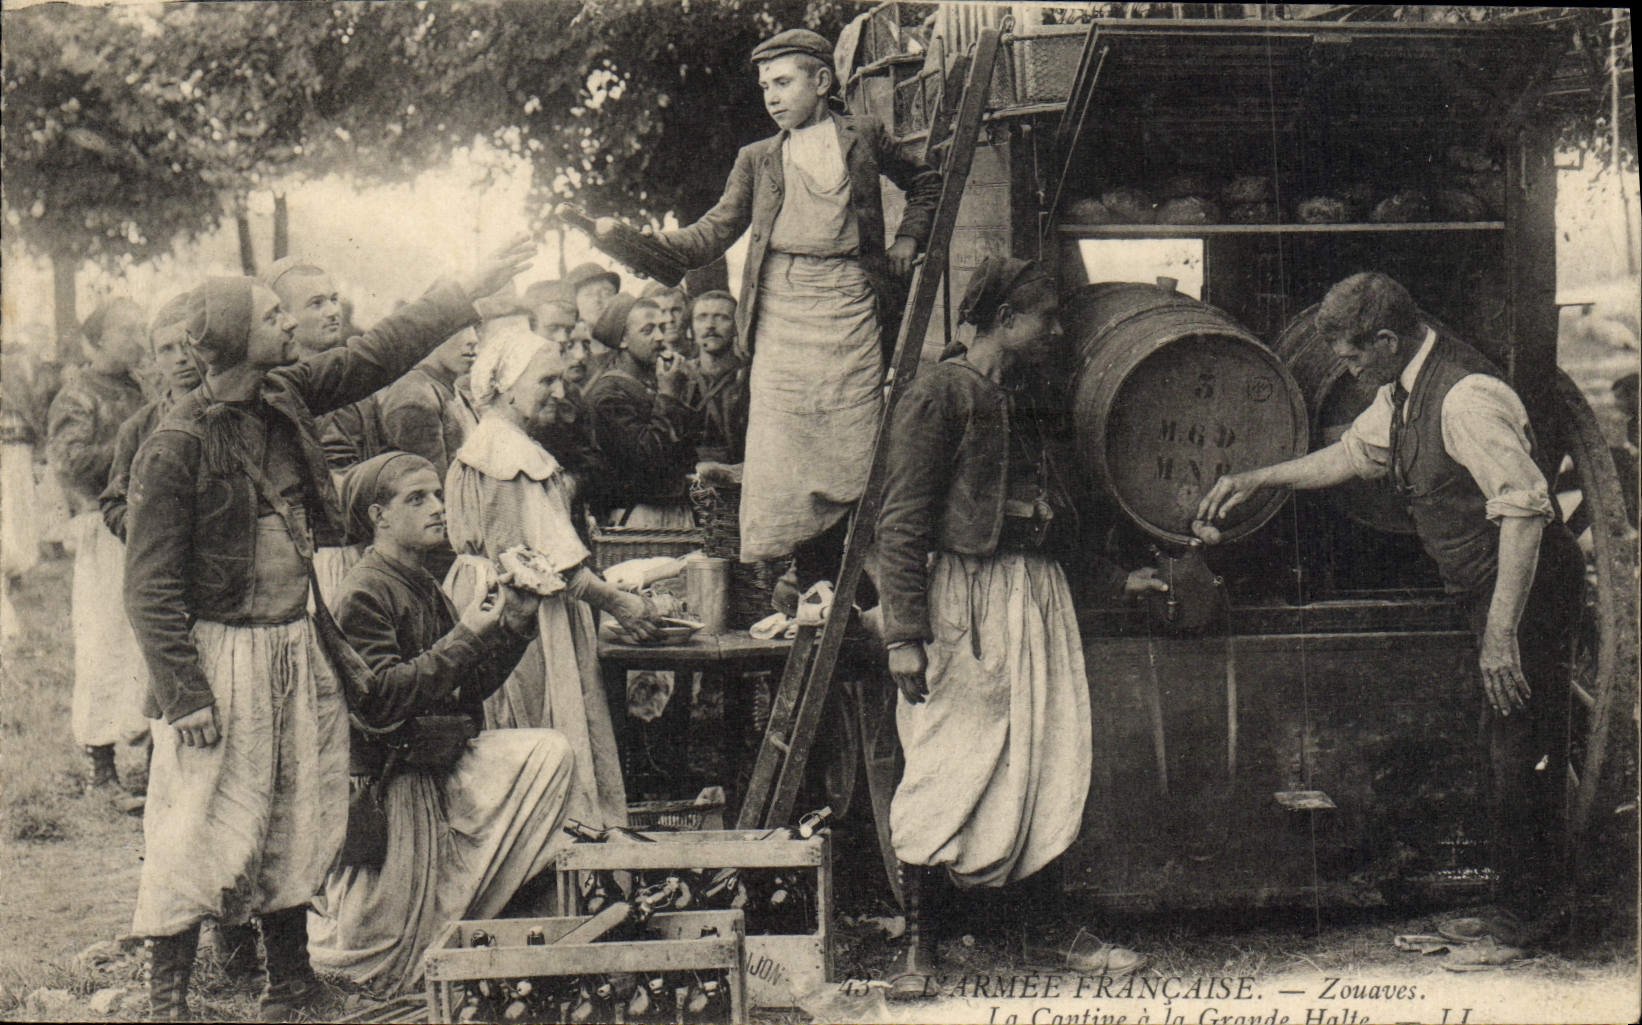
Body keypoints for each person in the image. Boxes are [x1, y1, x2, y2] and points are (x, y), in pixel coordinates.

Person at [123, 238, 531, 1021]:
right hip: (220, 658)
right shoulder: (175, 446)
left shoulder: (284, 392)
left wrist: (463, 291)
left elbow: (377, 352)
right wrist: (185, 694)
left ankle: (290, 982)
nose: (289, 322)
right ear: (235, 339)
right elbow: (148, 588)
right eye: (271, 315)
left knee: (297, 809)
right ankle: (167, 998)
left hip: (294, 643)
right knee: (194, 823)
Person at [1196, 271, 1583, 951]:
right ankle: (1514, 906)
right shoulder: (1405, 387)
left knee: (1520, 748)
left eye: (1352, 355)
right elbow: (1354, 455)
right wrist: (1258, 477)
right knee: (1502, 747)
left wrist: (1502, 634)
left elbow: (1526, 510)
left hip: (1529, 591)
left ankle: (1533, 920)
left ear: (1385, 339)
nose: (1346, 369)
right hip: (1491, 587)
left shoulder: (1464, 397)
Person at [876, 258, 1164, 994]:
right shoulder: (938, 393)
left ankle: (1047, 928)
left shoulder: (1030, 396)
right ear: (1005, 321)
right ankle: (921, 945)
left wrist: (1112, 579)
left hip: (1035, 595)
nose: (1058, 331)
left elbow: (1058, 518)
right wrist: (904, 634)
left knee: (1044, 758)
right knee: (946, 759)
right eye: (1047, 319)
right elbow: (900, 520)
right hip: (964, 598)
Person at [610, 27, 941, 604]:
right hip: (783, 314)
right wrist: (648, 241)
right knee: (789, 458)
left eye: (784, 83)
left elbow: (928, 182)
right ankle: (813, 586)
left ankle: (851, 589)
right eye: (766, 86)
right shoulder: (758, 158)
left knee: (854, 446)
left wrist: (910, 238)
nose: (772, 96)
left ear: (822, 81)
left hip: (850, 307)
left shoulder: (863, 136)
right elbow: (712, 233)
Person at [307, 452, 575, 995]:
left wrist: (515, 625)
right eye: (417, 499)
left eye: (436, 494)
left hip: (435, 762)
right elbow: (379, 702)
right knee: (375, 962)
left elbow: (463, 688)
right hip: (392, 783)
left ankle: (466, 921)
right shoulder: (365, 591)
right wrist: (467, 636)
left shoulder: (421, 583)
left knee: (548, 754)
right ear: (379, 517)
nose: (437, 507)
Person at [443, 326, 666, 831]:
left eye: (561, 380)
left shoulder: (496, 444)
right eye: (546, 380)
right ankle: (559, 843)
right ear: (506, 387)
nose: (560, 392)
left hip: (494, 600)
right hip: (523, 614)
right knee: (543, 723)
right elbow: (546, 565)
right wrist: (618, 602)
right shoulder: (508, 456)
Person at [47, 298, 150, 788]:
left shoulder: (143, 387)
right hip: (103, 526)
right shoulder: (78, 395)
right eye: (126, 330)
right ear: (98, 340)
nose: (137, 338)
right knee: (104, 638)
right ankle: (100, 757)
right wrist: (137, 449)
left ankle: (151, 748)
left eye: (140, 328)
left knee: (147, 638)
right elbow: (69, 462)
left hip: (147, 523)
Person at [261, 256, 389, 473]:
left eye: (334, 299)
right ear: (284, 316)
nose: (333, 312)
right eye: (317, 303)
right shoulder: (279, 390)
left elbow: (385, 450)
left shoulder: (353, 377)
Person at [583, 296, 700, 529]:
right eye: (648, 330)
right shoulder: (609, 394)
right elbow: (646, 460)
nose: (660, 337)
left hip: (673, 511)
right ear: (623, 340)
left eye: (661, 328)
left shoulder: (657, 381)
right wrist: (668, 397)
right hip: (638, 517)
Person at [377, 327, 481, 481]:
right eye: (459, 328)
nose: (473, 339)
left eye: (475, 327)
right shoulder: (415, 395)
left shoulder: (444, 387)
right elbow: (429, 486)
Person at [680, 290, 748, 462]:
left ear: (737, 327)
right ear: (691, 328)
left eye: (722, 317)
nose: (710, 325)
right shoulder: (679, 376)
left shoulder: (748, 379)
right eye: (701, 317)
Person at [642, 281, 695, 359]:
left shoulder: (703, 352)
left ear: (686, 311)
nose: (670, 319)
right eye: (662, 312)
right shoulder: (645, 359)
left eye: (675, 310)